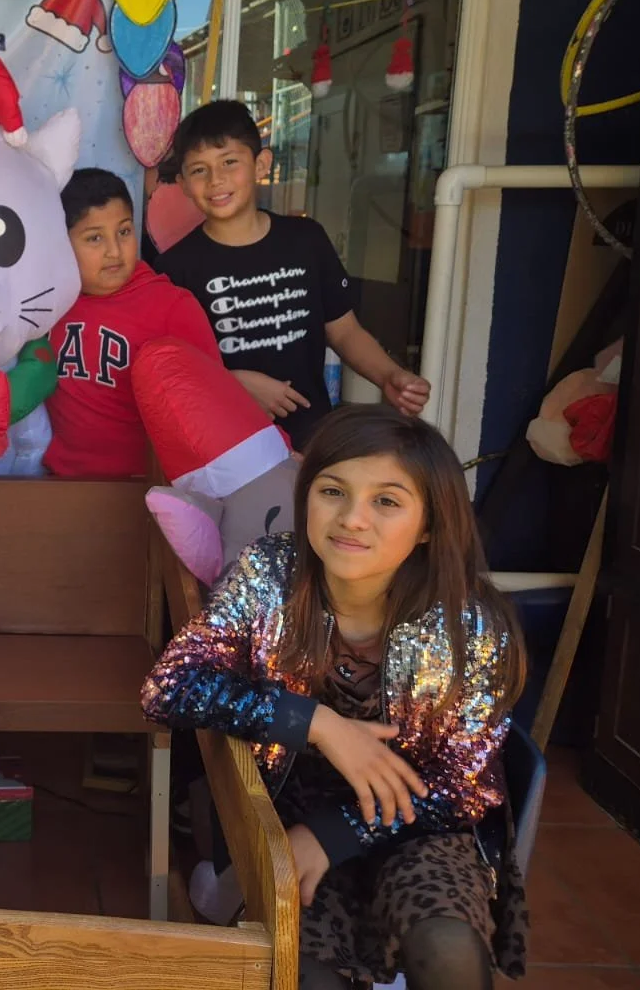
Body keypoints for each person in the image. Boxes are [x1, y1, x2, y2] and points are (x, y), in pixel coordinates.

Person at [143, 406, 529, 989]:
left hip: (419, 828)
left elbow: (460, 788)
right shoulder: (273, 571)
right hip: (289, 819)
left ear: (428, 524)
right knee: (308, 973)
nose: (352, 519)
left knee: (447, 949)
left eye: (387, 501)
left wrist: (335, 833)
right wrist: (318, 723)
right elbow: (169, 686)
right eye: (333, 491)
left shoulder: (470, 622)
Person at [155, 101, 430, 448]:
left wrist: (389, 375)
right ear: (182, 183)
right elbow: (172, 369)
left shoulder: (306, 240)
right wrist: (232, 383)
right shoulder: (174, 269)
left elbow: (344, 331)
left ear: (261, 164)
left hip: (312, 437)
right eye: (199, 170)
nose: (216, 180)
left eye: (229, 162)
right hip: (224, 448)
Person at [43, 168, 222, 478]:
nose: (114, 251)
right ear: (60, 241)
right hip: (61, 483)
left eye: (124, 231)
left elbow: (212, 408)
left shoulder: (172, 307)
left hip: (144, 488)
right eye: (94, 238)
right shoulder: (47, 303)